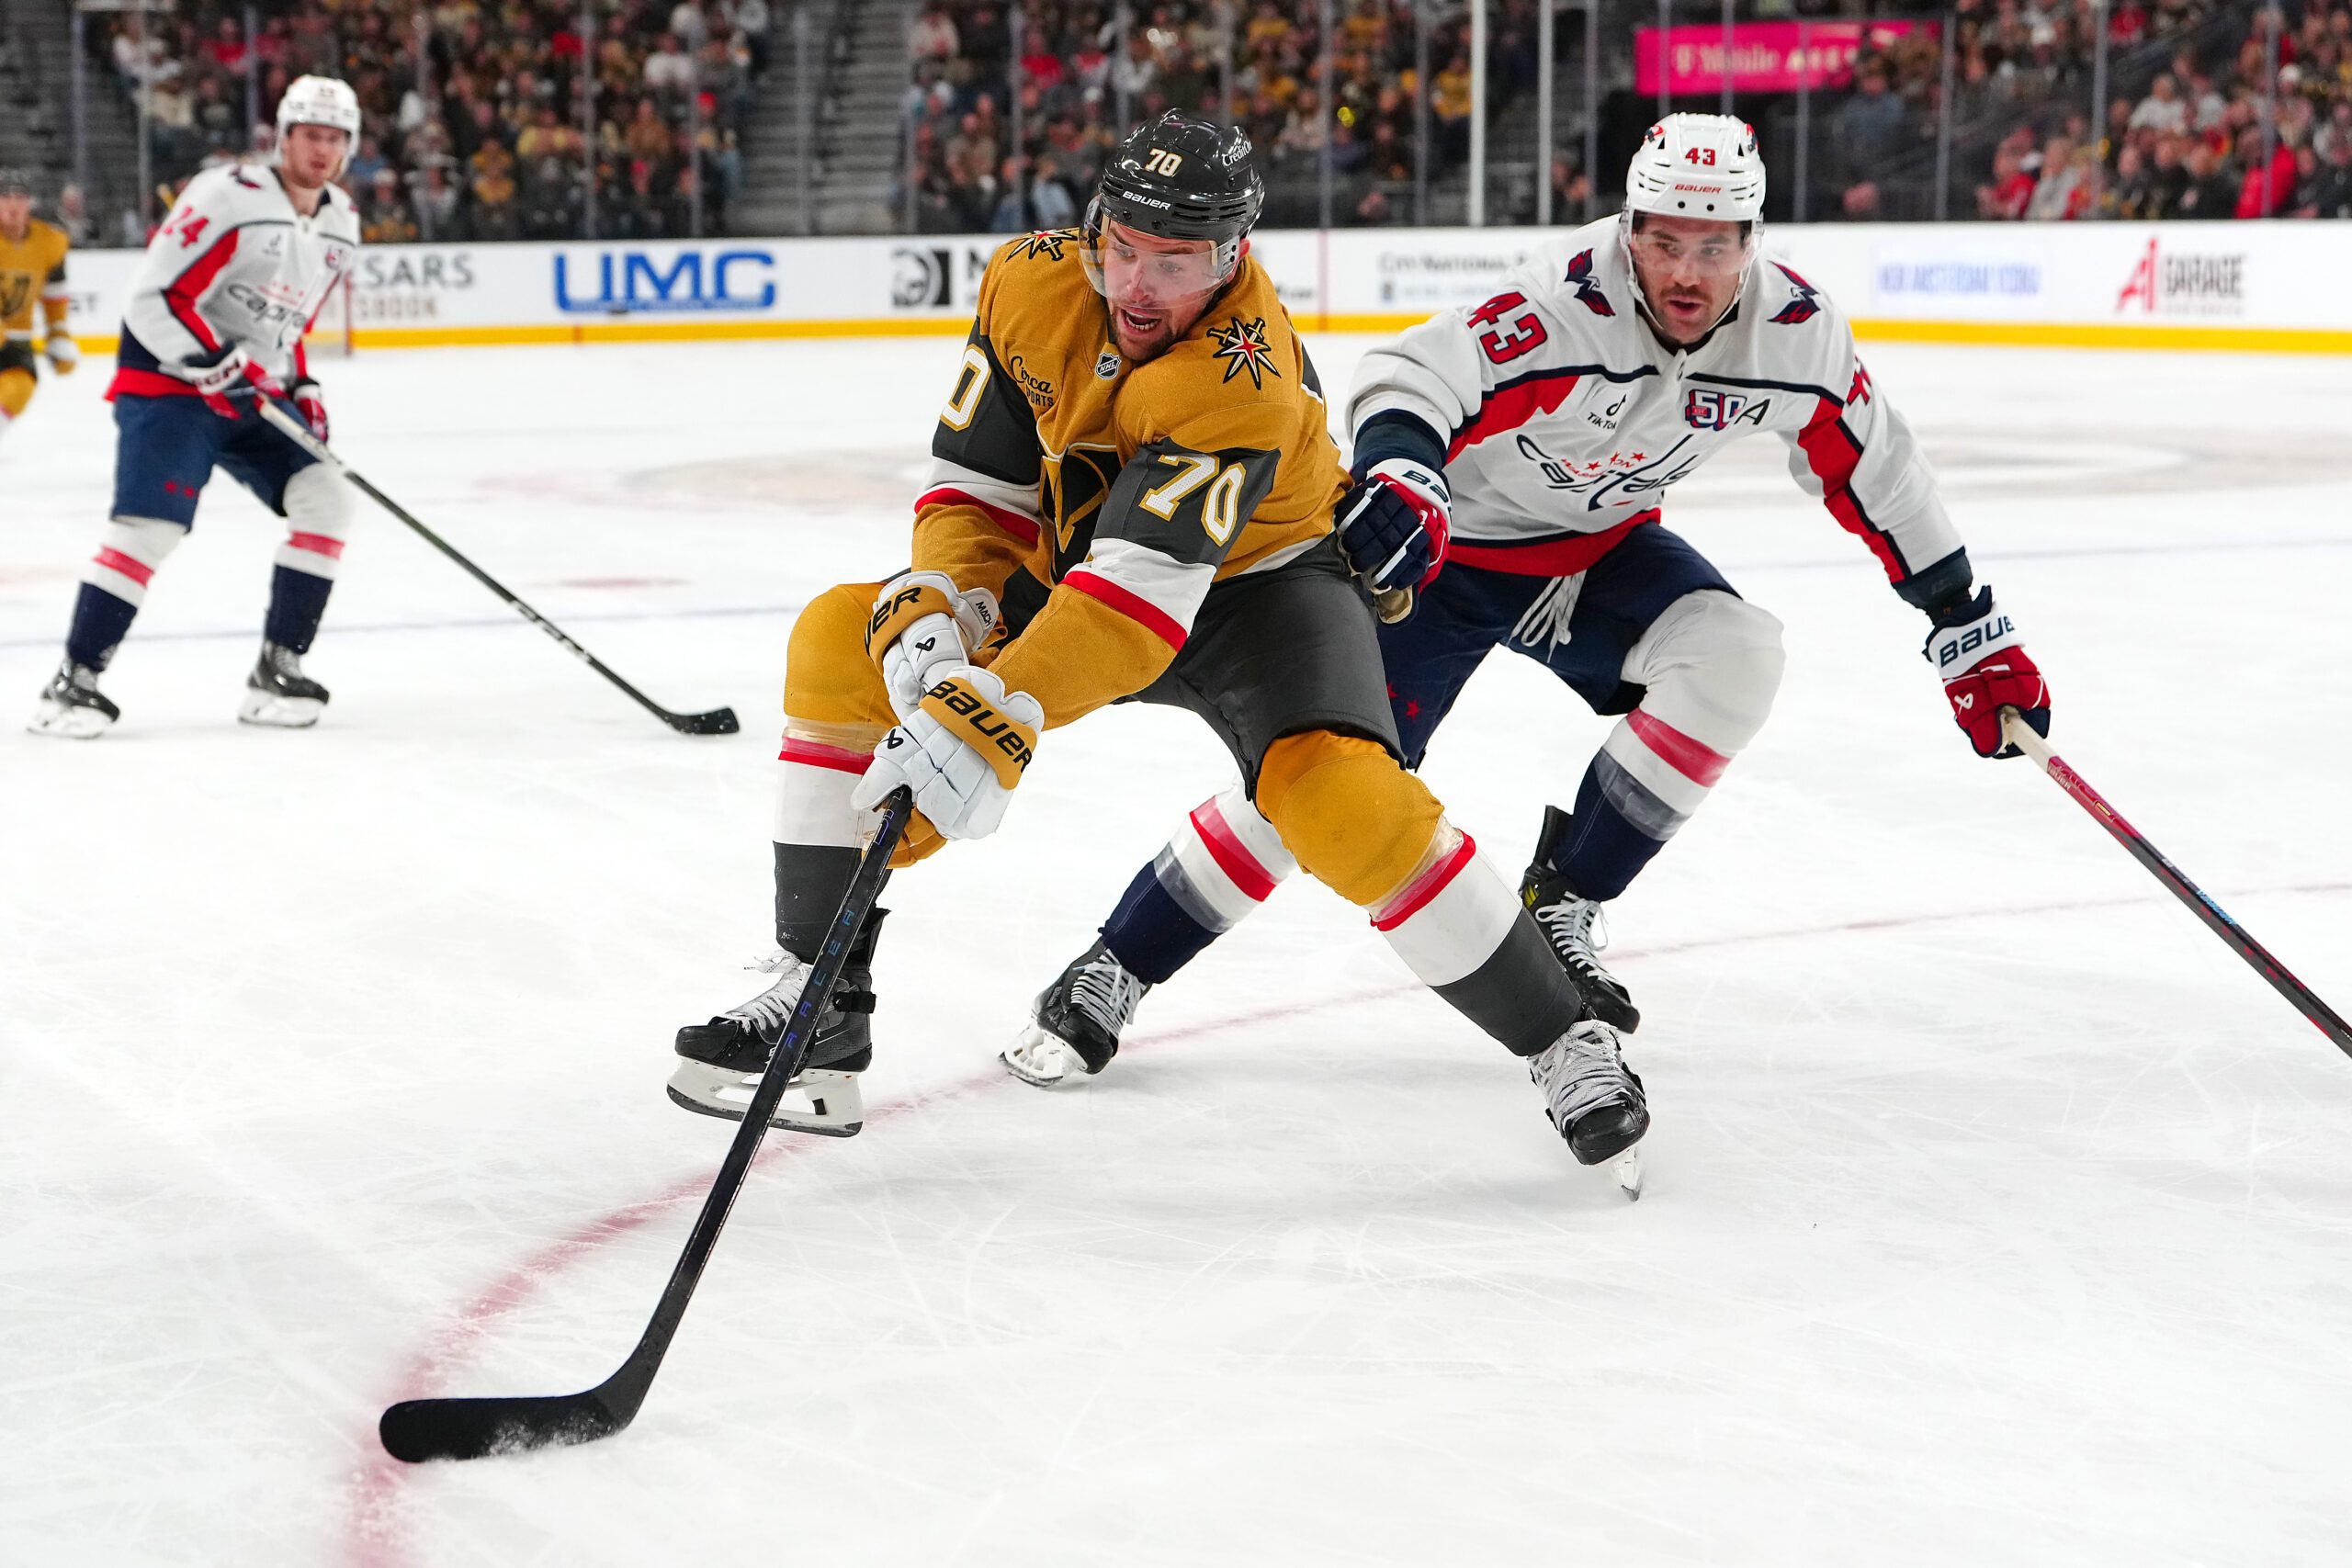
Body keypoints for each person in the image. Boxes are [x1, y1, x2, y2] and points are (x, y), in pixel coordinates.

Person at [668, 111, 1645, 1185]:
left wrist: (986, 717)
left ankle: (1564, 1039)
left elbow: (1136, 613)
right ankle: (819, 1003)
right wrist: (950, 610)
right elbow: (976, 492)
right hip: (1088, 567)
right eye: (1120, 245)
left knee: (1342, 801)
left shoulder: (1245, 377)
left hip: (1263, 592)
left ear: (1230, 257)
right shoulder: (1027, 281)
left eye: (1173, 261)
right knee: (837, 640)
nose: (1135, 284)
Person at [1004, 114, 2052, 1092]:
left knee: (1736, 655)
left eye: (1714, 245)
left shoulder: (1797, 334)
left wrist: (1964, 621)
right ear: (1628, 227)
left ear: (1753, 240)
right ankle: (1118, 963)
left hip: (1595, 560)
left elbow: (1879, 472)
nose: (1685, 273)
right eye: (1662, 240)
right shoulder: (1559, 303)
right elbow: (1409, 377)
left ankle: (1565, 907)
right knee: (1315, 782)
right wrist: (1408, 477)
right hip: (1437, 568)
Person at [28, 76, 364, 739]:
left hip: (251, 393)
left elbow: (287, 328)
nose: (321, 150)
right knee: (150, 528)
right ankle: (74, 682)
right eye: (310, 135)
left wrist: (303, 390)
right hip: (169, 384)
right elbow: (151, 298)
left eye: (334, 138)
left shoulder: (341, 222)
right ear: (284, 135)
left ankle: (279, 666)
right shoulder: (227, 195)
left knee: (328, 496)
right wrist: (211, 361)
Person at [0, 169, 79, 454]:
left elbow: (55, 296)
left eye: (19, 197)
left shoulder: (49, 242)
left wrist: (58, 334)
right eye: (5, 197)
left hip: (13, 337)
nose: (12, 204)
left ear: (30, 202)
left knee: (21, 384)